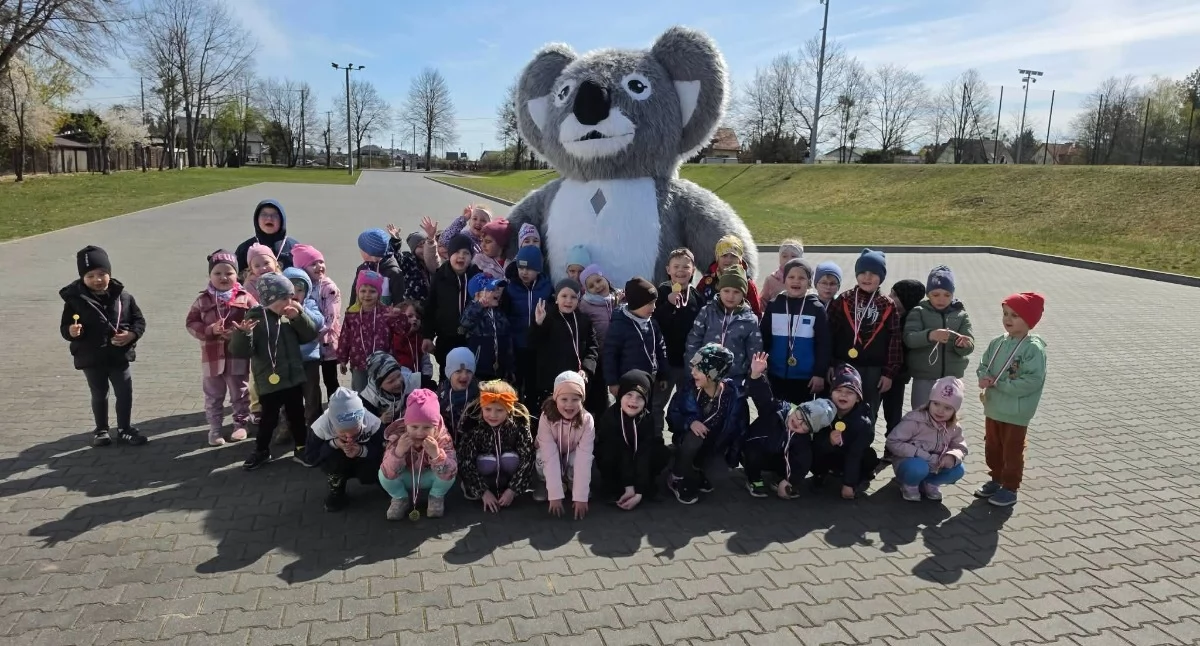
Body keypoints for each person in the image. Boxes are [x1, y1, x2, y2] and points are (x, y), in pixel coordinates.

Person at [230, 272, 319, 470]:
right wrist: (244, 335)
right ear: (270, 299)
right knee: (268, 419)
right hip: (269, 380)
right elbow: (242, 351)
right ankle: (261, 450)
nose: (290, 301)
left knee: (297, 415)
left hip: (293, 377)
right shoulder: (255, 318)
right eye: (284, 298)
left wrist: (299, 317)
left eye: (291, 297)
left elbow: (309, 335)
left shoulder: (290, 315)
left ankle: (301, 447)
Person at [61, 245, 148, 447]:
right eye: (90, 276)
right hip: (91, 357)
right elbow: (65, 327)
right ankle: (101, 430)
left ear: (109, 273)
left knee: (124, 392)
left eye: (102, 274)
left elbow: (139, 321)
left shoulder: (124, 297)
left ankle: (125, 429)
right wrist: (71, 332)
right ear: (82, 277)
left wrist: (132, 335)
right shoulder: (74, 300)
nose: (97, 280)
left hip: (119, 355)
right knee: (99, 393)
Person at [974, 292, 1047, 508]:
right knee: (992, 447)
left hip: (1016, 412)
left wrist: (1001, 384)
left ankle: (1010, 487)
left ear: (1029, 320)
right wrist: (983, 376)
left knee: (1012, 449)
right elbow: (983, 363)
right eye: (1005, 314)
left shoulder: (1033, 348)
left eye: (1015, 315)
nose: (1008, 319)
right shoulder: (998, 342)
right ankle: (996, 478)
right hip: (994, 407)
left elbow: (1033, 380)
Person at [742, 351, 837, 498]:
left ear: (811, 430)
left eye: (806, 424)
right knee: (753, 454)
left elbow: (802, 462)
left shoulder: (803, 439)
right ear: (798, 408)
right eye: (800, 415)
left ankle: (780, 478)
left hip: (776, 456)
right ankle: (754, 479)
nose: (798, 422)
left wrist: (790, 482)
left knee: (795, 456)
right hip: (755, 448)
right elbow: (764, 397)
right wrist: (756, 375)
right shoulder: (778, 410)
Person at [186, 250, 255, 446]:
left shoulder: (245, 297)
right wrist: (209, 329)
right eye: (217, 273)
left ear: (237, 275)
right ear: (210, 275)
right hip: (212, 357)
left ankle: (241, 424)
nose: (223, 277)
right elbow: (191, 323)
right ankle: (215, 428)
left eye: (229, 273)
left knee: (240, 393)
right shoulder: (203, 300)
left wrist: (242, 332)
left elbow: (258, 318)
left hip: (237, 356)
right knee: (213, 396)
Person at [828, 249, 902, 426]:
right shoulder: (843, 300)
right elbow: (830, 334)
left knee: (868, 413)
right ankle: (834, 449)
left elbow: (895, 340)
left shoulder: (888, 305)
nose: (867, 277)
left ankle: (862, 450)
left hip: (873, 371)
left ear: (882, 277)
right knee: (840, 409)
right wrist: (829, 363)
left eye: (873, 273)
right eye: (862, 272)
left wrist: (889, 373)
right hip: (844, 366)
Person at [666, 343, 740, 504]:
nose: (692, 372)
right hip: (689, 439)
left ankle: (695, 470)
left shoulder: (731, 394)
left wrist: (733, 456)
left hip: (714, 444)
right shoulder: (688, 389)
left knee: (719, 473)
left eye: (698, 369)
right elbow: (672, 414)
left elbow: (738, 426)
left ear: (713, 374)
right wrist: (690, 422)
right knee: (694, 439)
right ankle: (676, 476)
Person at [456, 380, 536, 512]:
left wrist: (513, 489)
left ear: (508, 409)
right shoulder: (473, 426)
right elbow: (465, 461)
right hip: (483, 477)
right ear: (482, 406)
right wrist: (482, 491)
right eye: (487, 409)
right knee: (485, 461)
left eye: (499, 410)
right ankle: (481, 489)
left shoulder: (519, 425)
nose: (493, 415)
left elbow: (528, 457)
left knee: (511, 459)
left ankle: (507, 490)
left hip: (509, 479)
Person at [379, 389, 458, 520]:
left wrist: (437, 455)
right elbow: (387, 470)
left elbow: (451, 470)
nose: (420, 433)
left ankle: (436, 497)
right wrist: (398, 452)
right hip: (406, 476)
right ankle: (400, 498)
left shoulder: (443, 438)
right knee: (383, 475)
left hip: (430, 476)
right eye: (414, 427)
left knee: (450, 473)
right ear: (406, 425)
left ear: (435, 427)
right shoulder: (398, 436)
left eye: (427, 428)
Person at [886, 376, 968, 502]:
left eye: (947, 408)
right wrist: (920, 454)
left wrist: (952, 456)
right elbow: (893, 442)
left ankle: (930, 483)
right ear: (930, 401)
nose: (940, 410)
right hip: (910, 464)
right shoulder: (915, 420)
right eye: (936, 404)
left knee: (959, 469)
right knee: (918, 467)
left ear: (955, 411)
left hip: (935, 466)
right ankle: (909, 485)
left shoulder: (954, 427)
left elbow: (960, 447)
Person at [903, 265, 975, 409]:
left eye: (947, 295)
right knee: (921, 414)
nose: (941, 299)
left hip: (951, 379)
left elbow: (970, 343)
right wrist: (930, 335)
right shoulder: (919, 311)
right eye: (936, 295)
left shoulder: (961, 314)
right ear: (928, 294)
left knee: (947, 417)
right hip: (924, 377)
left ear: (953, 294)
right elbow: (909, 338)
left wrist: (963, 344)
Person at [594, 369, 668, 509]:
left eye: (640, 397)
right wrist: (629, 486)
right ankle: (611, 486)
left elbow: (644, 454)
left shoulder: (647, 419)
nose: (634, 400)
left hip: (638, 462)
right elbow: (623, 452)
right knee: (605, 453)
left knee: (660, 451)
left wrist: (639, 491)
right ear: (620, 395)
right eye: (629, 394)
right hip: (618, 461)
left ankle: (647, 485)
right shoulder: (609, 418)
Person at [761, 257, 830, 404]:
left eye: (801, 278)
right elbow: (765, 339)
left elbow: (824, 344)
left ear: (809, 282)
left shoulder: (816, 308)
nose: (796, 281)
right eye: (791, 277)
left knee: (800, 419)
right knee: (776, 416)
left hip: (805, 378)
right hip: (775, 374)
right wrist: (763, 369)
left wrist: (819, 374)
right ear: (784, 280)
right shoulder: (774, 306)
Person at [305, 387, 384, 512]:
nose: (349, 438)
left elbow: (385, 452)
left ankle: (383, 481)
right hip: (338, 461)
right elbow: (311, 457)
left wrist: (362, 451)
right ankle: (337, 491)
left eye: (355, 432)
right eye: (343, 433)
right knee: (334, 460)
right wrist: (333, 444)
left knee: (380, 468)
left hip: (364, 459)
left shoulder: (373, 422)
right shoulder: (320, 426)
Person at [528, 280, 601, 412]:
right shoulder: (547, 317)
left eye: (573, 297)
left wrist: (586, 369)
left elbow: (593, 348)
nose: (568, 301)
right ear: (556, 299)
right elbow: (533, 344)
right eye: (564, 296)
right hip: (551, 382)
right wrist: (538, 324)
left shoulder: (584, 321)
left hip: (576, 381)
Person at [653, 248, 703, 434]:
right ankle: (656, 439)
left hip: (689, 363)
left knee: (687, 403)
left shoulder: (697, 297)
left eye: (685, 267)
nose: (680, 270)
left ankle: (680, 439)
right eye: (676, 266)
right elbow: (654, 322)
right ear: (668, 269)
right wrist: (668, 304)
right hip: (665, 363)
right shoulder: (659, 293)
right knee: (657, 403)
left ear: (693, 270)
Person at [686, 266, 763, 385]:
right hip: (705, 375)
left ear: (743, 294)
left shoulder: (750, 320)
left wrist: (750, 377)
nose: (731, 296)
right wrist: (693, 367)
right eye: (726, 291)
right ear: (719, 290)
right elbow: (694, 340)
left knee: (732, 404)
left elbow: (754, 351)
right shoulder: (707, 312)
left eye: (736, 292)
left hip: (734, 378)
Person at [533, 372, 595, 519]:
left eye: (575, 399)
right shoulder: (546, 417)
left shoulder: (587, 420)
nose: (569, 404)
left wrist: (581, 496)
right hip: (551, 454)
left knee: (582, 459)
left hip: (572, 453)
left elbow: (584, 457)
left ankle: (572, 482)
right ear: (556, 399)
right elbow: (550, 455)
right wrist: (554, 495)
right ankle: (546, 483)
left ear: (582, 400)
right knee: (541, 457)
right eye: (564, 399)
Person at [337, 270, 411, 392]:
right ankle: (363, 411)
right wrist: (343, 359)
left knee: (383, 392)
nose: (367, 295)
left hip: (384, 364)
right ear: (357, 292)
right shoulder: (351, 313)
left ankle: (383, 411)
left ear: (379, 293)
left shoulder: (386, 312)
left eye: (372, 291)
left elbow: (403, 331)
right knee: (361, 393)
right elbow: (345, 337)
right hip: (359, 363)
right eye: (363, 291)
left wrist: (399, 317)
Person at [814, 364, 879, 499]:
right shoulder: (821, 413)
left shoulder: (863, 422)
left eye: (850, 392)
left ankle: (857, 477)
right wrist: (829, 441)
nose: (843, 395)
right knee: (814, 449)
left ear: (858, 398)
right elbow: (815, 442)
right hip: (830, 455)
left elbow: (855, 454)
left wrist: (849, 484)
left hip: (850, 455)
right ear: (831, 393)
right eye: (838, 390)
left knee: (869, 456)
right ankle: (821, 473)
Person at [603, 277, 669, 409]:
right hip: (627, 383)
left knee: (646, 413)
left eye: (655, 302)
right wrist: (613, 382)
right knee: (626, 411)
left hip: (649, 380)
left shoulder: (652, 323)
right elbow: (610, 355)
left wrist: (663, 374)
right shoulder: (619, 325)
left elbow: (661, 349)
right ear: (637, 303)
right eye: (650, 303)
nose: (654, 307)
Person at [422, 234, 481, 380]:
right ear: (449, 254)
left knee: (470, 375)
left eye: (466, 253)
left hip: (471, 338)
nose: (461, 257)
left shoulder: (477, 276)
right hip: (447, 337)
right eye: (457, 252)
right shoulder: (440, 276)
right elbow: (430, 307)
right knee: (447, 374)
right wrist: (428, 336)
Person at [292, 244, 342, 404]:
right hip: (309, 346)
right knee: (311, 383)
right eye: (313, 264)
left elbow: (331, 316)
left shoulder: (329, 287)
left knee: (330, 380)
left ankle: (336, 409)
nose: (319, 266)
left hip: (327, 342)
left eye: (321, 261)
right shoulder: (300, 287)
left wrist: (315, 334)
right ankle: (315, 412)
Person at [503, 245, 553, 406]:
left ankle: (533, 414)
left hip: (539, 345)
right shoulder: (510, 287)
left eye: (529, 268)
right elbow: (505, 314)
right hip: (518, 344)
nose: (524, 272)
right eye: (521, 267)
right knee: (517, 382)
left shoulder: (546, 287)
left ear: (538, 269)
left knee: (534, 384)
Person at [284, 268, 327, 435]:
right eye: (291, 290)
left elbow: (318, 321)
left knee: (311, 394)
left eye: (300, 290)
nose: (295, 293)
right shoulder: (279, 308)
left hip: (309, 359)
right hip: (287, 360)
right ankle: (287, 425)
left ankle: (314, 425)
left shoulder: (309, 304)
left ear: (307, 291)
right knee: (288, 396)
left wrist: (301, 310)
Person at [881, 279, 926, 435]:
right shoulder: (884, 312)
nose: (889, 296)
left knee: (893, 414)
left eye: (894, 294)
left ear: (906, 300)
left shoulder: (913, 322)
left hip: (897, 376)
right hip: (877, 371)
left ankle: (892, 448)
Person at [461, 273, 513, 382]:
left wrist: (510, 366)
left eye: (497, 288)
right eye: (491, 289)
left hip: (500, 369)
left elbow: (508, 339)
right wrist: (479, 306)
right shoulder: (473, 311)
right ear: (477, 295)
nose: (497, 292)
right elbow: (465, 323)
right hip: (480, 370)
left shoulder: (500, 313)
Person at [695, 234, 762, 318]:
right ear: (717, 257)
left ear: (740, 259)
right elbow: (696, 307)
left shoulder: (747, 284)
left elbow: (756, 314)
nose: (729, 260)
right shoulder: (707, 280)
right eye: (724, 255)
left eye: (733, 256)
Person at [235, 199, 298, 273]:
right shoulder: (245, 248)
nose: (269, 218)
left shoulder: (294, 248)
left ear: (282, 220)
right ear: (257, 219)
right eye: (264, 214)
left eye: (274, 215)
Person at [360, 350, 421, 426]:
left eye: (399, 375)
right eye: (391, 381)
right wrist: (380, 420)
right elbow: (364, 423)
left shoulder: (411, 381)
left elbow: (431, 393)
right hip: (384, 431)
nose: (398, 382)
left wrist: (414, 407)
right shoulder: (369, 398)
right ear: (379, 385)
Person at [348, 228, 405, 307]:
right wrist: (350, 315)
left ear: (369, 252)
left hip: (387, 317)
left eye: (361, 249)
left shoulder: (393, 272)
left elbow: (399, 302)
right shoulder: (362, 268)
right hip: (361, 317)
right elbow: (354, 296)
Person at [438, 347, 479, 443]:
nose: (464, 376)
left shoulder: (479, 394)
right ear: (449, 372)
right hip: (447, 444)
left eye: (469, 371)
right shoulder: (441, 394)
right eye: (458, 371)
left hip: (472, 445)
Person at [386, 224, 436, 303]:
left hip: (431, 304)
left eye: (425, 245)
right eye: (420, 246)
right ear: (413, 249)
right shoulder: (409, 260)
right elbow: (397, 256)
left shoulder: (434, 261)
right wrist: (395, 240)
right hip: (413, 304)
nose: (424, 250)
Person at [578, 264, 620, 350]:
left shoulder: (619, 297)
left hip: (623, 351)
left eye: (599, 280)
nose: (597, 286)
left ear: (605, 278)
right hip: (601, 353)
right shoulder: (585, 305)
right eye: (591, 286)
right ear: (587, 291)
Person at [758, 238, 804, 310]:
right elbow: (762, 302)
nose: (788, 260)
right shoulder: (771, 280)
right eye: (784, 256)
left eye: (793, 256)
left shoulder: (804, 279)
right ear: (780, 258)